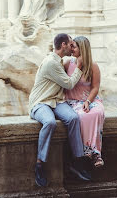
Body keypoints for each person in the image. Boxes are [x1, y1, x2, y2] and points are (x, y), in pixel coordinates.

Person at [29, 33, 91, 187]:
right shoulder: (51, 62)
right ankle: (40, 164)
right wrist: (79, 66)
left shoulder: (59, 60)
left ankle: (77, 161)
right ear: (63, 45)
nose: (72, 47)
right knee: (50, 122)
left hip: (56, 101)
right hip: (41, 102)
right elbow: (69, 84)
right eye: (70, 44)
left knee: (73, 118)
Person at [65, 36, 105, 167]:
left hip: (90, 99)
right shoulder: (68, 63)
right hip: (72, 101)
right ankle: (86, 151)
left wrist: (88, 101)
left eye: (74, 46)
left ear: (82, 49)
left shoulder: (93, 66)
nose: (71, 49)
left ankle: (95, 152)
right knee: (82, 116)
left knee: (96, 112)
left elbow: (95, 87)